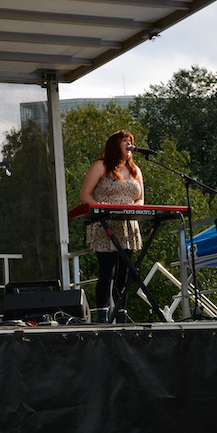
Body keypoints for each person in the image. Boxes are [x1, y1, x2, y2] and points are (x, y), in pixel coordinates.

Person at [79, 129, 144, 324]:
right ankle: (102, 317)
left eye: (130, 141)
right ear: (115, 144)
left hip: (127, 225)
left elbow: (140, 199)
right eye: (125, 140)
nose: (129, 144)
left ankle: (121, 315)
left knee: (124, 273)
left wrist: (134, 211)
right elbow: (85, 195)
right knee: (108, 271)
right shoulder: (101, 165)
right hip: (105, 224)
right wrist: (102, 210)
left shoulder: (135, 170)